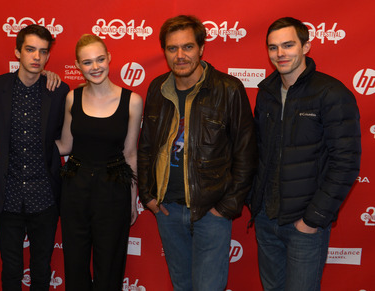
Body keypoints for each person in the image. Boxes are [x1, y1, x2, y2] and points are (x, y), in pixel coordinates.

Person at [137, 15, 257, 291]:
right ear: (164, 51)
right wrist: (148, 196)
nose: (180, 56)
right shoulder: (157, 88)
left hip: (210, 212)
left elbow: (246, 153)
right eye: (172, 48)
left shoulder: (228, 89)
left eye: (188, 47)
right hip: (167, 209)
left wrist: (225, 208)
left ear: (201, 48)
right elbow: (146, 148)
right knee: (182, 286)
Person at [250, 17, 361, 291]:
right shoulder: (266, 93)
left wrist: (312, 220)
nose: (280, 54)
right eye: (273, 47)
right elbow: (258, 150)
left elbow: (345, 162)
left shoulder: (331, 93)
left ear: (306, 46)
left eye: (288, 45)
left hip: (304, 224)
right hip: (266, 218)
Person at [55, 34, 142, 291]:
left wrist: (132, 198)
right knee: (75, 263)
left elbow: (130, 153)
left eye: (100, 59)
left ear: (109, 58)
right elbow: (66, 145)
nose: (95, 67)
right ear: (78, 65)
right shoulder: (73, 98)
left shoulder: (132, 101)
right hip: (75, 186)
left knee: (110, 264)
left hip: (113, 187)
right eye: (87, 62)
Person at [0, 24, 69, 290]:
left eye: (43, 52)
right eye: (30, 50)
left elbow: (65, 139)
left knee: (41, 269)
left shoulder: (58, 91)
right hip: (8, 196)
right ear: (17, 52)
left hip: (44, 196)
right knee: (10, 270)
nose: (36, 57)